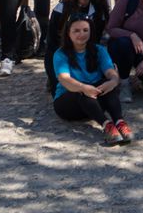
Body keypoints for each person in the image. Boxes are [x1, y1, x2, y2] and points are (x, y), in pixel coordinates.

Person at [52, 16, 132, 146]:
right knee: (82, 92)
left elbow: (110, 72)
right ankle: (107, 125)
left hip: (94, 102)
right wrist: (83, 87)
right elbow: (64, 79)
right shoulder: (60, 54)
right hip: (68, 103)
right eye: (76, 31)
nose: (81, 34)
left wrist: (113, 81)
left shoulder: (99, 50)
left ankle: (119, 122)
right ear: (68, 33)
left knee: (108, 86)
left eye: (85, 30)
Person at [45, 0, 109, 91]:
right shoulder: (62, 7)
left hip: (87, 51)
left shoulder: (99, 9)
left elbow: (98, 38)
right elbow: (52, 39)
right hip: (63, 50)